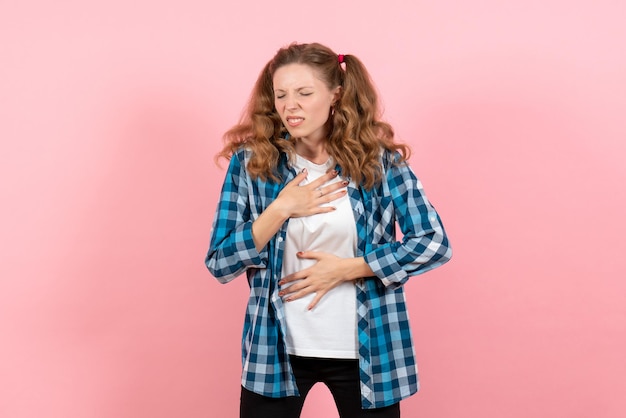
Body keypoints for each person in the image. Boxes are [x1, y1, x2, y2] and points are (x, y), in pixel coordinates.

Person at [205, 42, 452, 418]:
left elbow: (433, 243)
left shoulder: (380, 163)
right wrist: (281, 208)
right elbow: (220, 262)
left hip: (365, 351)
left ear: (336, 95)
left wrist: (349, 268)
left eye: (304, 93)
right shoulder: (251, 163)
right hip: (276, 352)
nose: (290, 105)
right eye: (281, 94)